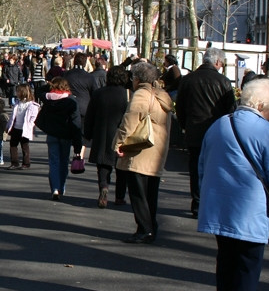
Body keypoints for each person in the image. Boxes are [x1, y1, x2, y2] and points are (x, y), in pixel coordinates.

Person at [197, 78, 269, 291]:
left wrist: (202, 193)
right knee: (250, 258)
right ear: (262, 104)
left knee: (226, 255)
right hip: (251, 205)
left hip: (218, 202)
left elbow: (203, 163)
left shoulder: (219, 125)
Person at [112, 61, 172, 243]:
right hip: (157, 149)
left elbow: (130, 121)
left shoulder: (141, 95)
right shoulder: (162, 95)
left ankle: (144, 229)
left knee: (138, 193)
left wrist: (118, 143)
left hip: (140, 150)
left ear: (137, 79)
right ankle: (150, 226)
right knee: (150, 194)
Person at [176, 47, 236, 217]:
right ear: (217, 62)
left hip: (194, 130)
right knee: (214, 168)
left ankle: (197, 203)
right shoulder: (223, 82)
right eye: (222, 63)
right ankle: (211, 203)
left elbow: (180, 107)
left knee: (195, 168)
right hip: (216, 132)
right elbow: (231, 109)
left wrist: (185, 125)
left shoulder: (188, 80)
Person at [84, 66, 130, 208]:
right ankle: (120, 196)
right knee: (122, 168)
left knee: (103, 165)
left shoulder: (99, 93)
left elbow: (89, 115)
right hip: (122, 135)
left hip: (102, 133)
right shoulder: (128, 95)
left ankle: (104, 186)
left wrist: (88, 134)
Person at [35, 77, 82, 200]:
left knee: (54, 162)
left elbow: (38, 90)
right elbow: (76, 122)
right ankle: (61, 187)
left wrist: (48, 85)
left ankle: (55, 188)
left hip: (52, 134)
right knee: (63, 162)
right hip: (66, 135)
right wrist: (78, 144)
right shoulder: (71, 101)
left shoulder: (48, 98)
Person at [6, 85, 39, 170]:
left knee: (24, 146)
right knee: (13, 145)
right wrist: (8, 126)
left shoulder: (32, 105)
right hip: (16, 128)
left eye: (18, 91)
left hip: (24, 129)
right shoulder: (18, 103)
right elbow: (13, 117)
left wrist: (30, 125)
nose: (16, 93)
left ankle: (26, 163)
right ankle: (14, 162)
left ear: (22, 93)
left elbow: (34, 118)